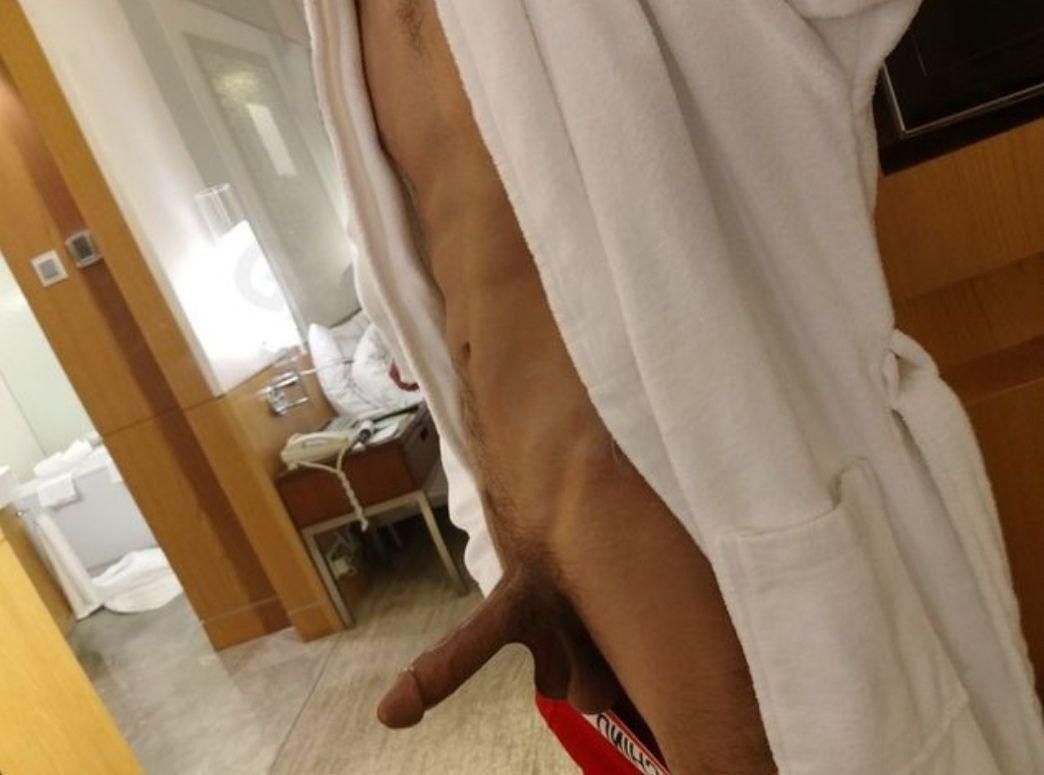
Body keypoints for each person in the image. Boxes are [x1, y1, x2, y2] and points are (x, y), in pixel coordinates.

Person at [306, 1, 1044, 772]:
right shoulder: (334, 19)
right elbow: (443, 307)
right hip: (552, 600)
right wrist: (497, 541)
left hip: (724, 563)